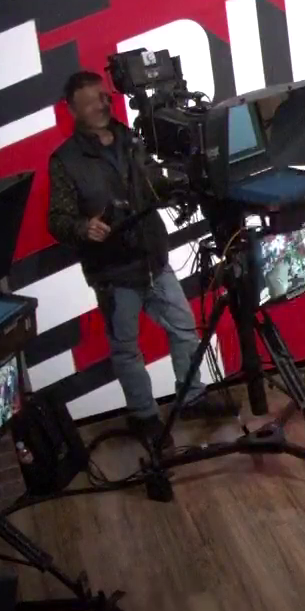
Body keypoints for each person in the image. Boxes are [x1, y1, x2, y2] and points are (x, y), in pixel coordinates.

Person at [47, 71, 221, 435]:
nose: (102, 104)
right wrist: (83, 227)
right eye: (91, 101)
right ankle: (144, 417)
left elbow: (154, 183)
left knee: (184, 329)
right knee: (127, 349)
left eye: (104, 96)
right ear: (72, 110)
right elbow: (57, 219)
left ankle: (192, 398)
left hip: (153, 258)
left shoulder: (131, 140)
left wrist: (175, 183)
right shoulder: (64, 160)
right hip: (112, 272)